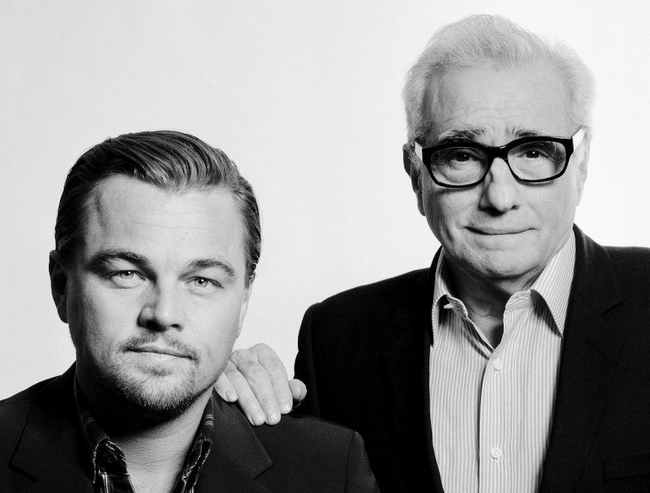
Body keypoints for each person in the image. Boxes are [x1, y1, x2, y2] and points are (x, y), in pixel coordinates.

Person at [215, 14, 650, 493]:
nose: (500, 197)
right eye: (462, 155)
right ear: (415, 174)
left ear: (580, 165)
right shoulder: (337, 342)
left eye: (533, 152)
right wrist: (214, 404)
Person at [0, 131, 379, 492]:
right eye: (126, 274)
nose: (164, 314)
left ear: (243, 302)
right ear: (61, 286)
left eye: (201, 281)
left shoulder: (330, 470)